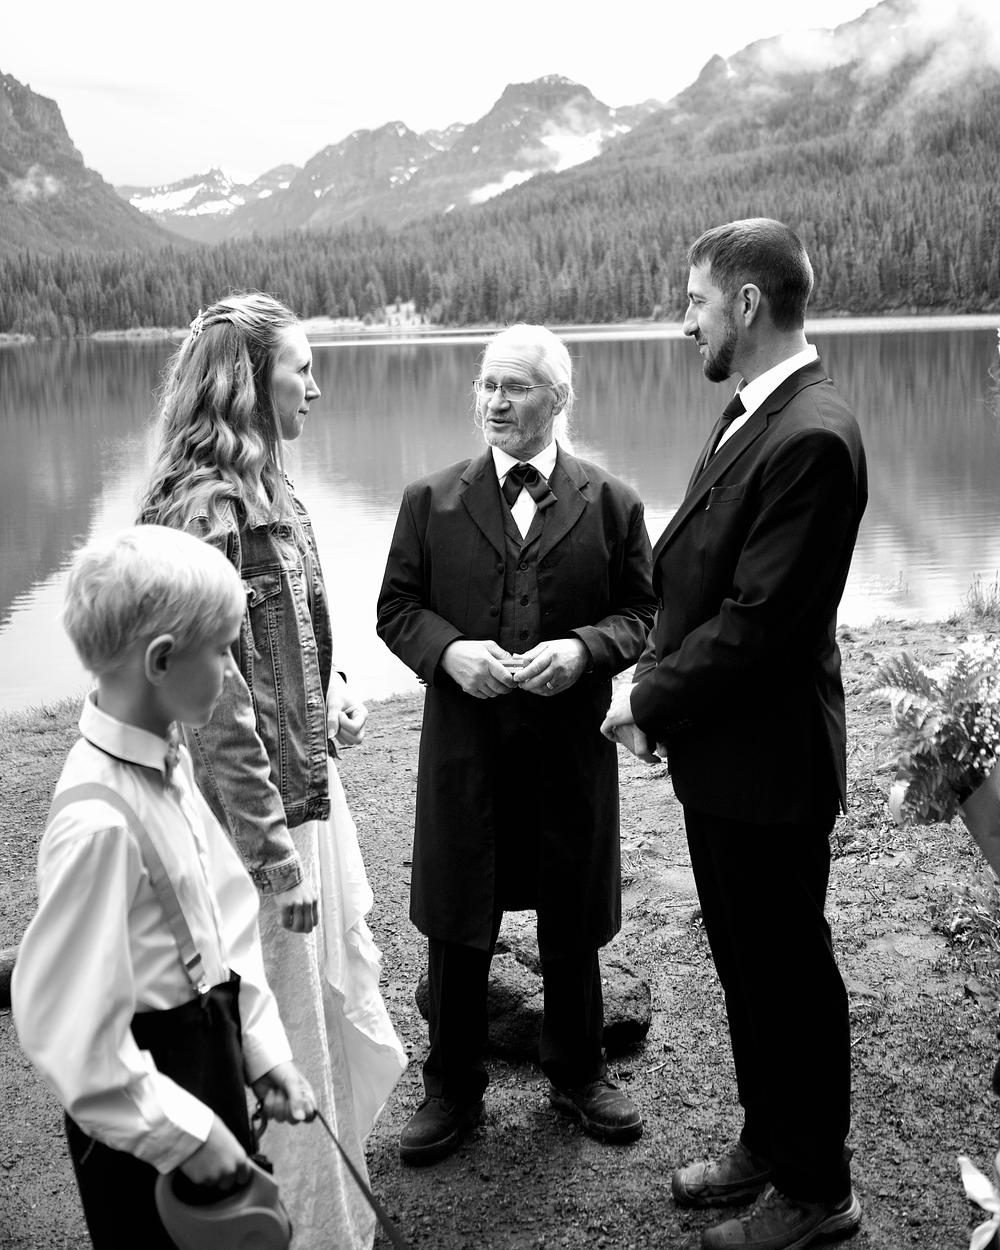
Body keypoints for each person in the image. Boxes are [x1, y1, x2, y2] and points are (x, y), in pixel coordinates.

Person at [601, 219, 867, 1250]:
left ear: (747, 304)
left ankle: (817, 1191)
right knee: (748, 967)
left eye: (696, 301)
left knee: (789, 977)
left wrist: (646, 699)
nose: (686, 322)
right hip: (728, 759)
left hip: (771, 764)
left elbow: (759, 624)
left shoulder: (812, 435)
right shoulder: (755, 408)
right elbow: (705, 576)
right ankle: (768, 1139)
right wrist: (657, 676)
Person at [137, 292, 406, 1249]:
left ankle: (330, 1217)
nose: (317, 388)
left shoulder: (273, 493)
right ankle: (303, 1231)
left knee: (315, 1024)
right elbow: (214, 710)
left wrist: (333, 692)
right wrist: (273, 858)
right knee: (279, 1037)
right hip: (249, 827)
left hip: (304, 792)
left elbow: (288, 649)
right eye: (302, 368)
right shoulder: (206, 514)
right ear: (248, 382)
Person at [377, 323, 657, 1164]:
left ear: (558, 399)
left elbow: (641, 614)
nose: (494, 402)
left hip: (570, 749)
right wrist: (450, 654)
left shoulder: (613, 503)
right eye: (487, 385)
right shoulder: (429, 502)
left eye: (515, 387)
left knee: (571, 910)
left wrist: (584, 651)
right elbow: (396, 610)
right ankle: (451, 1088)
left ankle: (579, 1072)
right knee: (459, 913)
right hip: (466, 751)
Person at [12, 525, 316, 1249]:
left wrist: (260, 1049)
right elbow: (70, 1029)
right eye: (223, 652)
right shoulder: (97, 823)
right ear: (161, 660)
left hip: (208, 1064)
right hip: (144, 1114)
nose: (233, 670)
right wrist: (189, 1135)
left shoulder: (167, 766)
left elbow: (222, 918)